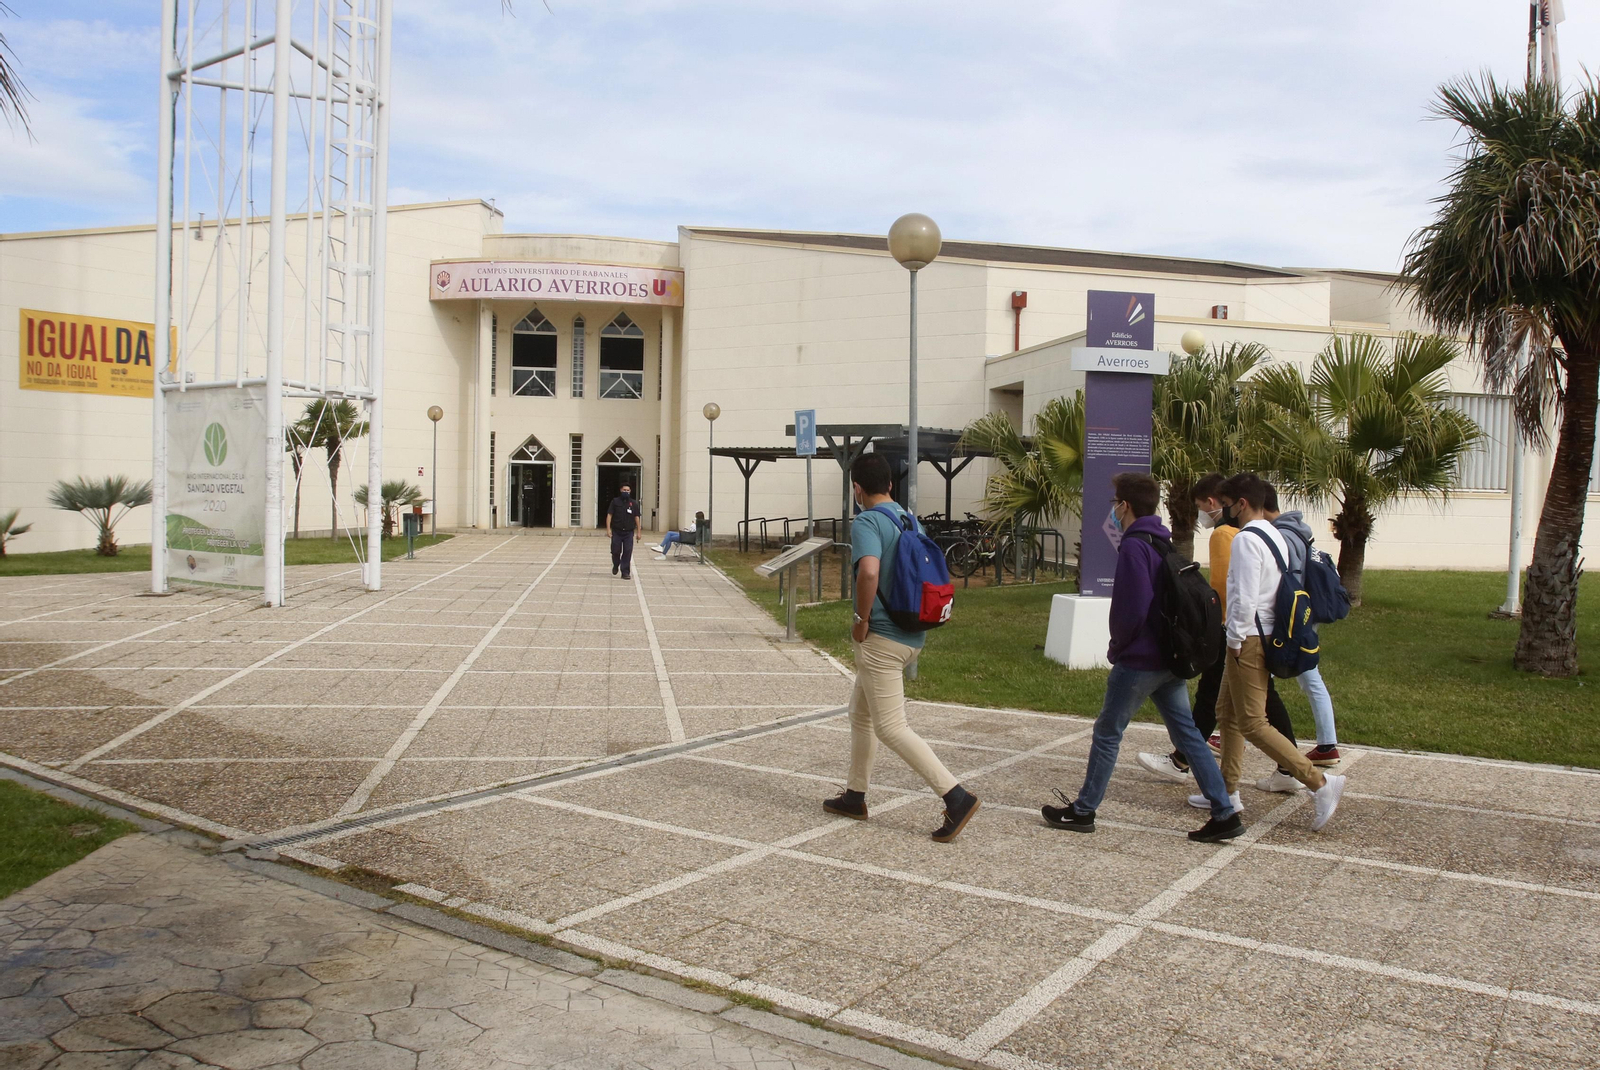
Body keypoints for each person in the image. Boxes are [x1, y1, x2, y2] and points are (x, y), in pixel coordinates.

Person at [1040, 472, 1243, 841]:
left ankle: (1083, 811)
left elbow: (1131, 609)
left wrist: (1118, 647)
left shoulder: (1134, 546)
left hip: (1140, 660)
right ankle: (1224, 812)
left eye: (1115, 503)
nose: (1114, 510)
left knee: (1107, 732)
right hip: (1169, 658)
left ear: (1125, 506)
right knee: (1188, 735)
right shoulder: (1161, 541)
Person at [823, 453, 980, 843]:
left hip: (882, 639)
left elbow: (869, 572)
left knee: (891, 727)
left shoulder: (867, 521)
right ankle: (855, 796)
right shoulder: (909, 518)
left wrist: (860, 620)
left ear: (857, 489)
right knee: (861, 715)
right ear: (890, 484)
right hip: (912, 633)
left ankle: (956, 797)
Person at [1136, 472, 1303, 793]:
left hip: (1237, 632)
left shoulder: (1231, 535)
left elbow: (1232, 591)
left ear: (1225, 503)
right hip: (1258, 630)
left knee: (1247, 716)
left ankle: (1311, 777)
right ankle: (1224, 786)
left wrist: (1229, 635)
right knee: (1228, 709)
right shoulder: (1269, 533)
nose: (1205, 513)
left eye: (1206, 506)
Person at [1211, 472, 1344, 830]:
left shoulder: (1245, 539)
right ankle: (1226, 793)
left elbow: (1244, 598)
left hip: (1249, 638)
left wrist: (1234, 641)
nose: (1225, 512)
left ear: (1241, 504)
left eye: (1227, 505)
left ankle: (1319, 782)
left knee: (1253, 722)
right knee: (1227, 713)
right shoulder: (1274, 534)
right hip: (1265, 634)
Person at [1264, 485, 1341, 766]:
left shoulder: (1282, 535)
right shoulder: (1298, 530)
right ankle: (1327, 744)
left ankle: (1327, 745)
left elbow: (1287, 580)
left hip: (1293, 617)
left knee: (1265, 678)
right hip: (1304, 613)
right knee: (1303, 676)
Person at [605, 483, 641, 579]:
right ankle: (616, 564)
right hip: (617, 531)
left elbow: (637, 517)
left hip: (628, 532)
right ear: (621, 490)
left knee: (627, 551)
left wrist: (639, 532)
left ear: (630, 491)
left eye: (628, 490)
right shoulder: (615, 501)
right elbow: (609, 515)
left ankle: (625, 572)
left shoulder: (633, 503)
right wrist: (608, 529)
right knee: (615, 551)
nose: (626, 492)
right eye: (624, 490)